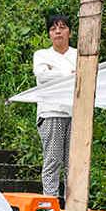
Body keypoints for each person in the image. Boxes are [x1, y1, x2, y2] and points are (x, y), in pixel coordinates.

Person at [33, 13, 78, 199]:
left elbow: (86, 76)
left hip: (75, 113)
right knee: (53, 160)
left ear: (70, 32)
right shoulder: (42, 54)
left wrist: (56, 72)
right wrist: (71, 74)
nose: (58, 31)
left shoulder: (79, 54)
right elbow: (42, 77)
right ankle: (50, 204)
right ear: (49, 34)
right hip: (51, 112)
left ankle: (73, 203)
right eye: (53, 28)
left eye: (62, 27)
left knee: (73, 163)